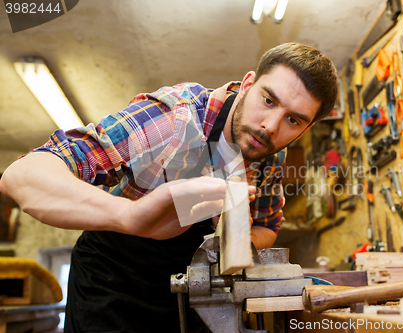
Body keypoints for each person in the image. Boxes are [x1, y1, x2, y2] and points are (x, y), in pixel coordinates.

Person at [0, 42, 337, 332]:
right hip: (112, 279)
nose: (270, 126)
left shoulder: (269, 154)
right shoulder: (175, 118)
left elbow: (268, 224)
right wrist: (131, 215)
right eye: (268, 100)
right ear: (248, 83)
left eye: (293, 120)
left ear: (305, 129)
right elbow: (22, 175)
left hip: (191, 285)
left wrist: (236, 242)